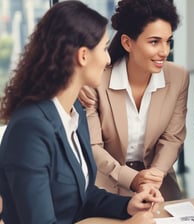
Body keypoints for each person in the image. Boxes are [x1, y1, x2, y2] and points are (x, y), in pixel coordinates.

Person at [0, 1, 163, 224]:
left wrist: (128, 204)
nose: (108, 59)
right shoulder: (30, 129)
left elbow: (83, 195)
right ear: (83, 55)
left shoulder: (75, 111)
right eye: (104, 48)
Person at [78, 0, 189, 201]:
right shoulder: (96, 82)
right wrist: (132, 179)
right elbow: (93, 146)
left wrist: (155, 175)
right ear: (128, 43)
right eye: (154, 42)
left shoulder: (178, 77)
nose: (164, 51)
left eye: (168, 41)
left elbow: (173, 138)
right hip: (105, 191)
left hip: (159, 189)